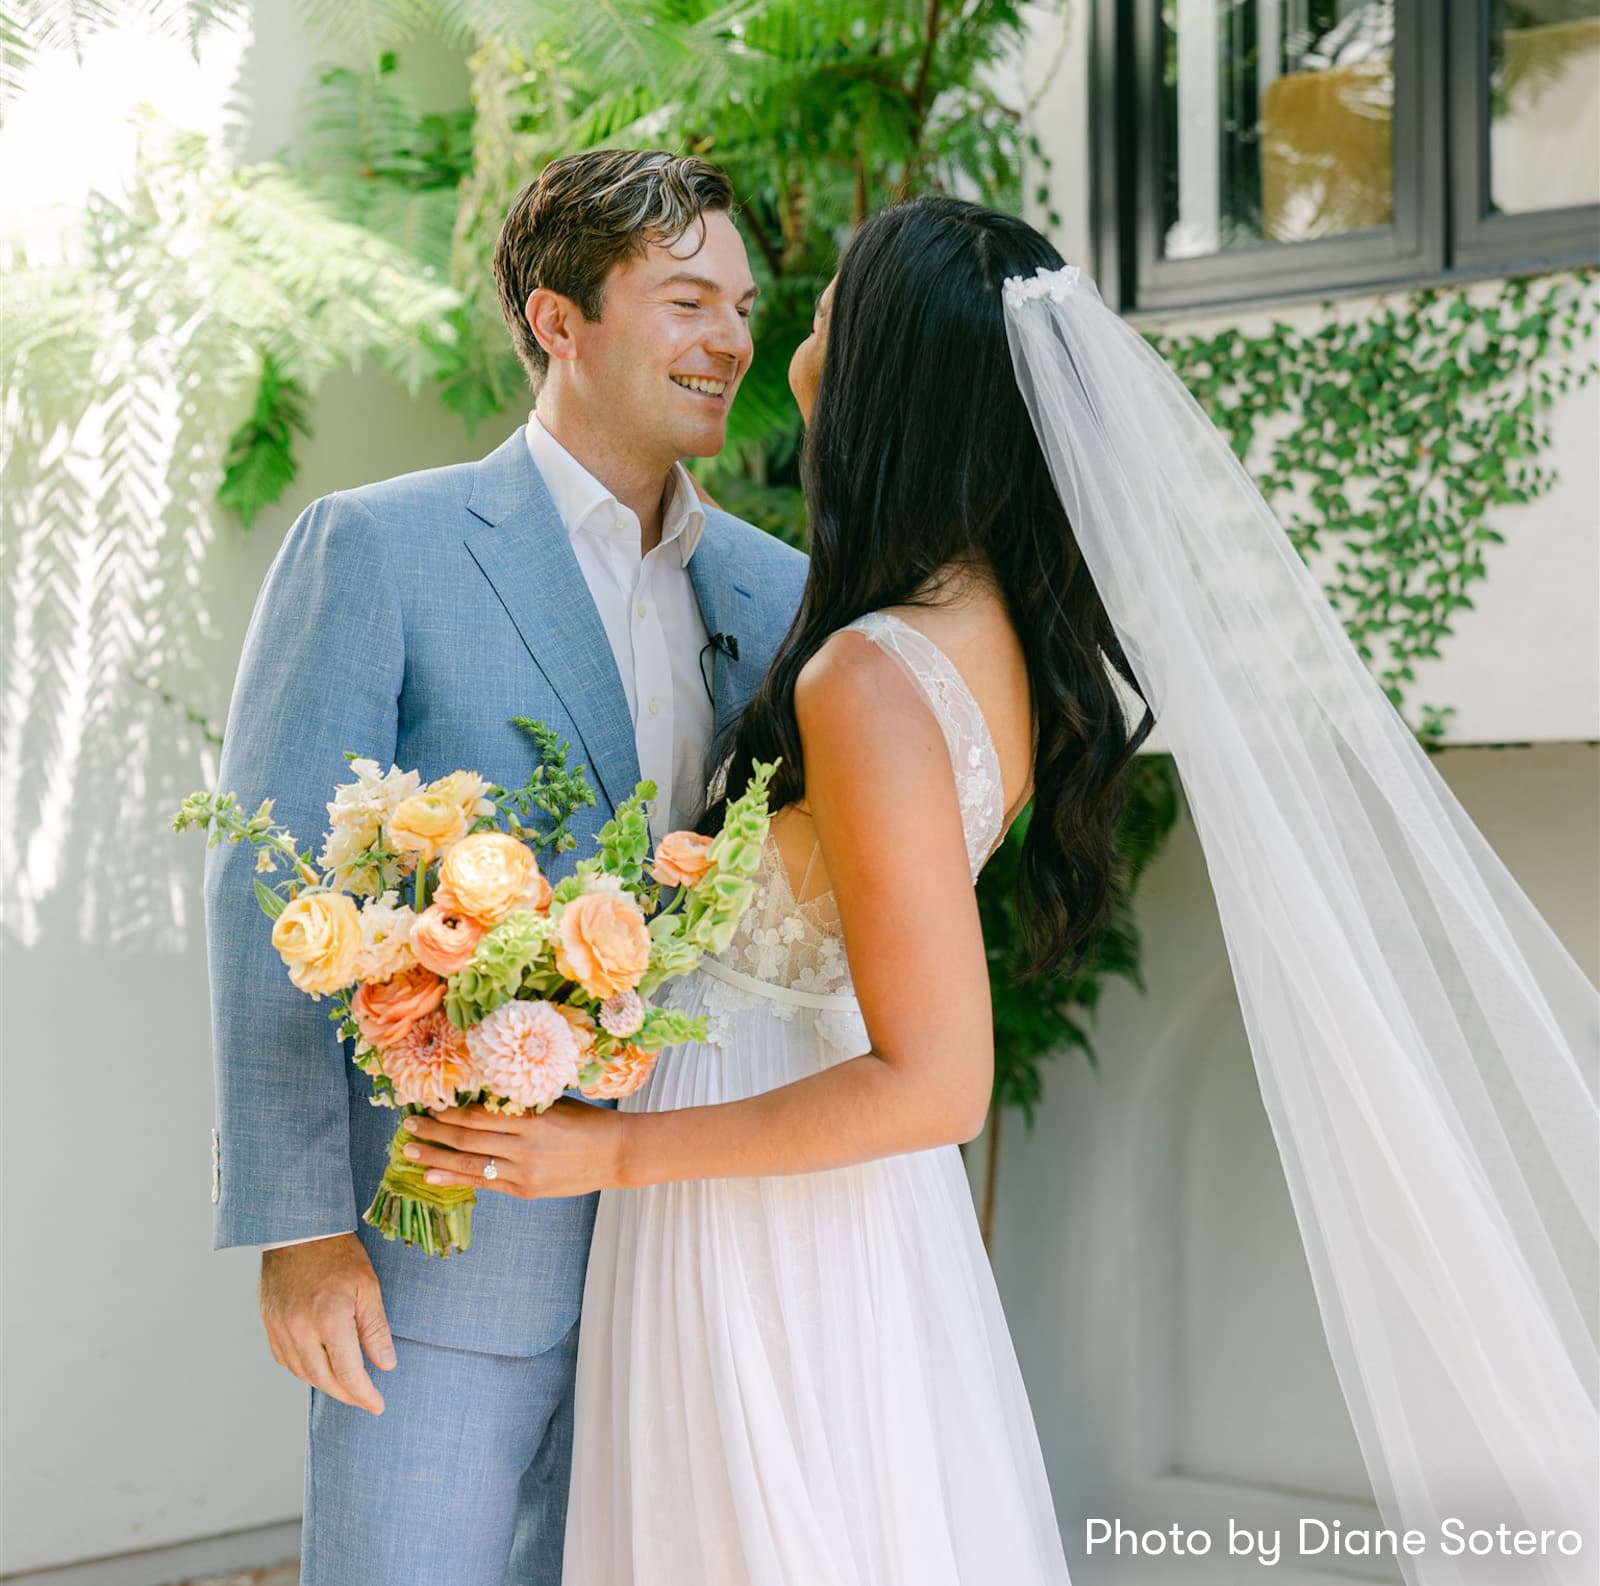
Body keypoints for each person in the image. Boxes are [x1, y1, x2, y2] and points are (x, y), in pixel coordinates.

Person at [402, 198, 1598, 1586]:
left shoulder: (869, 674)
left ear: (892, 368)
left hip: (763, 1221)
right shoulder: (992, 640)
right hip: (804, 1197)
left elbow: (939, 1084)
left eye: (837, 300)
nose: (794, 325)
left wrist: (606, 1152)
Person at [203, 148, 806, 1586]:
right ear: (558, 320)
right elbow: (275, 897)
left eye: (744, 304)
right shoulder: (378, 548)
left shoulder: (780, 590)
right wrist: (301, 1233)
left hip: (699, 1257)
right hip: (444, 1263)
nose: (731, 338)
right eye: (685, 299)